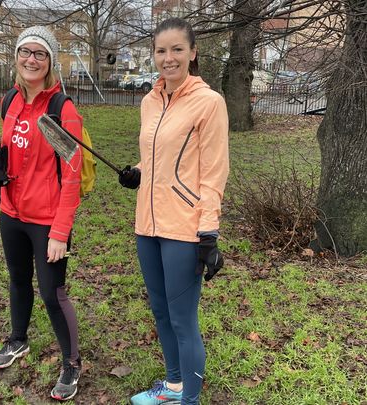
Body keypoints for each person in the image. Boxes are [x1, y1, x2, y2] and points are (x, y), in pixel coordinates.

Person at [118, 17, 229, 405]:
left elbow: (214, 172)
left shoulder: (209, 102)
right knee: (161, 313)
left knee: (183, 320)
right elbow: (157, 156)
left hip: (184, 228)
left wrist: (208, 233)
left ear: (192, 53)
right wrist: (138, 172)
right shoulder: (150, 101)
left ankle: (191, 400)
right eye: (161, 51)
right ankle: (175, 385)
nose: (169, 58)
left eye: (177, 49)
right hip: (146, 225)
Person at [0, 25, 83, 402]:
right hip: (11, 212)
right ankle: (18, 340)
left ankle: (72, 363)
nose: (31, 59)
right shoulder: (10, 100)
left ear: (50, 62)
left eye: (39, 54)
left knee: (51, 292)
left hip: (47, 220)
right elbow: (13, 149)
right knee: (17, 280)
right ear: (15, 58)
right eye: (25, 52)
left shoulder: (63, 110)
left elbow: (72, 177)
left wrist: (61, 230)